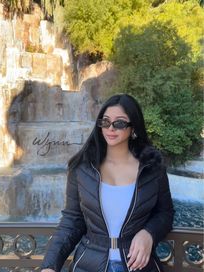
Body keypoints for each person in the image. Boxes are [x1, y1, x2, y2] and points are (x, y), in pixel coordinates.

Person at [41, 94, 174, 272]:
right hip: (89, 264)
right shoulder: (81, 168)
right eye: (105, 122)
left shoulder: (152, 167)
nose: (110, 128)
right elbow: (72, 221)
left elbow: (165, 213)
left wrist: (149, 233)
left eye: (119, 123)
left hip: (138, 265)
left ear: (133, 127)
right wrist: (49, 266)